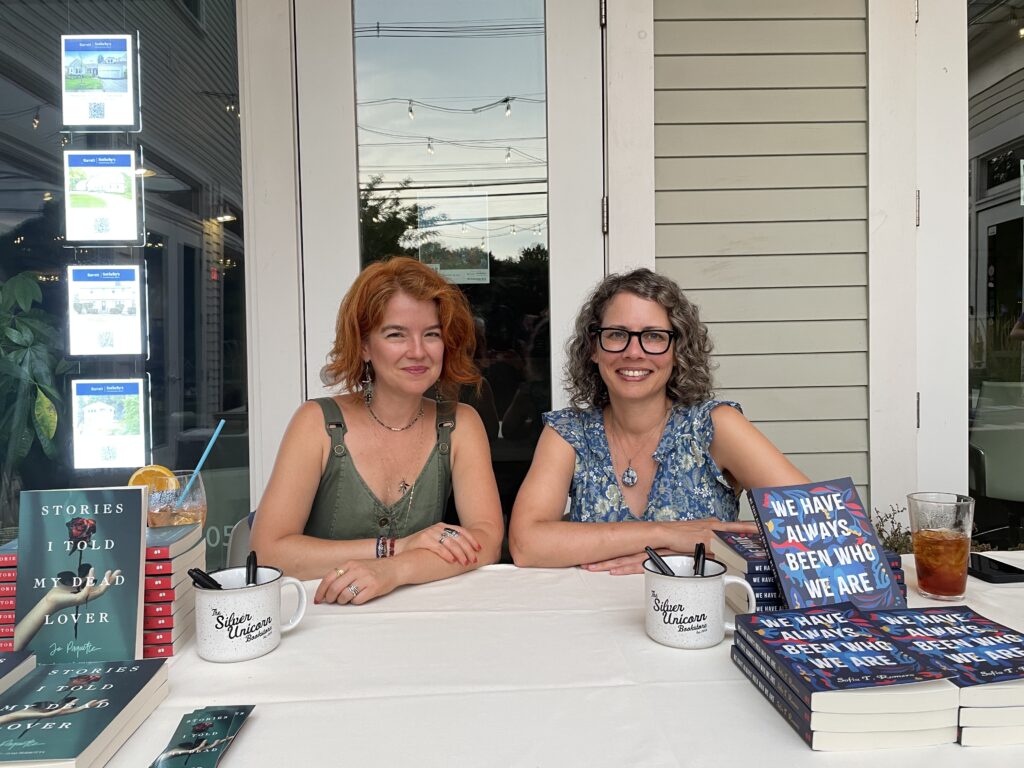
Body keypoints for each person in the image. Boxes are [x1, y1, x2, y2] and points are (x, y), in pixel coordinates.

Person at [509, 268, 809, 574]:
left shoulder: (714, 426)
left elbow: (823, 526)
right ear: (593, 349)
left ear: (678, 350)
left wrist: (684, 560)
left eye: (654, 336)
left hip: (703, 616)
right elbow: (525, 544)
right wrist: (663, 536)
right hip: (591, 616)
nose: (633, 352)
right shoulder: (569, 432)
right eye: (616, 334)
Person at [251, 257, 503, 604]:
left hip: (417, 617)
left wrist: (394, 570)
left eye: (431, 334)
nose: (418, 351)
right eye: (396, 334)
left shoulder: (460, 423)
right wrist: (393, 548)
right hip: (319, 619)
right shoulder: (316, 423)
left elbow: (486, 542)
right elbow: (268, 553)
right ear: (365, 346)